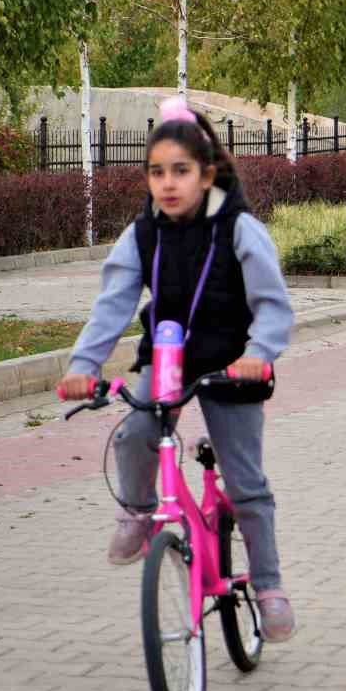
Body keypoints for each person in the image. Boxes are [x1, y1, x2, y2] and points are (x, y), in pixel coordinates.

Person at [59, 97, 299, 641]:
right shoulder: (143, 234)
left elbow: (274, 305)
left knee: (246, 484)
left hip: (232, 364)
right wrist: (84, 364)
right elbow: (113, 304)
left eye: (181, 172)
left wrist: (259, 354)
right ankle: (140, 512)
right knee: (135, 432)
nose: (168, 184)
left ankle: (268, 586)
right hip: (167, 359)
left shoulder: (239, 229)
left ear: (206, 173)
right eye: (157, 172)